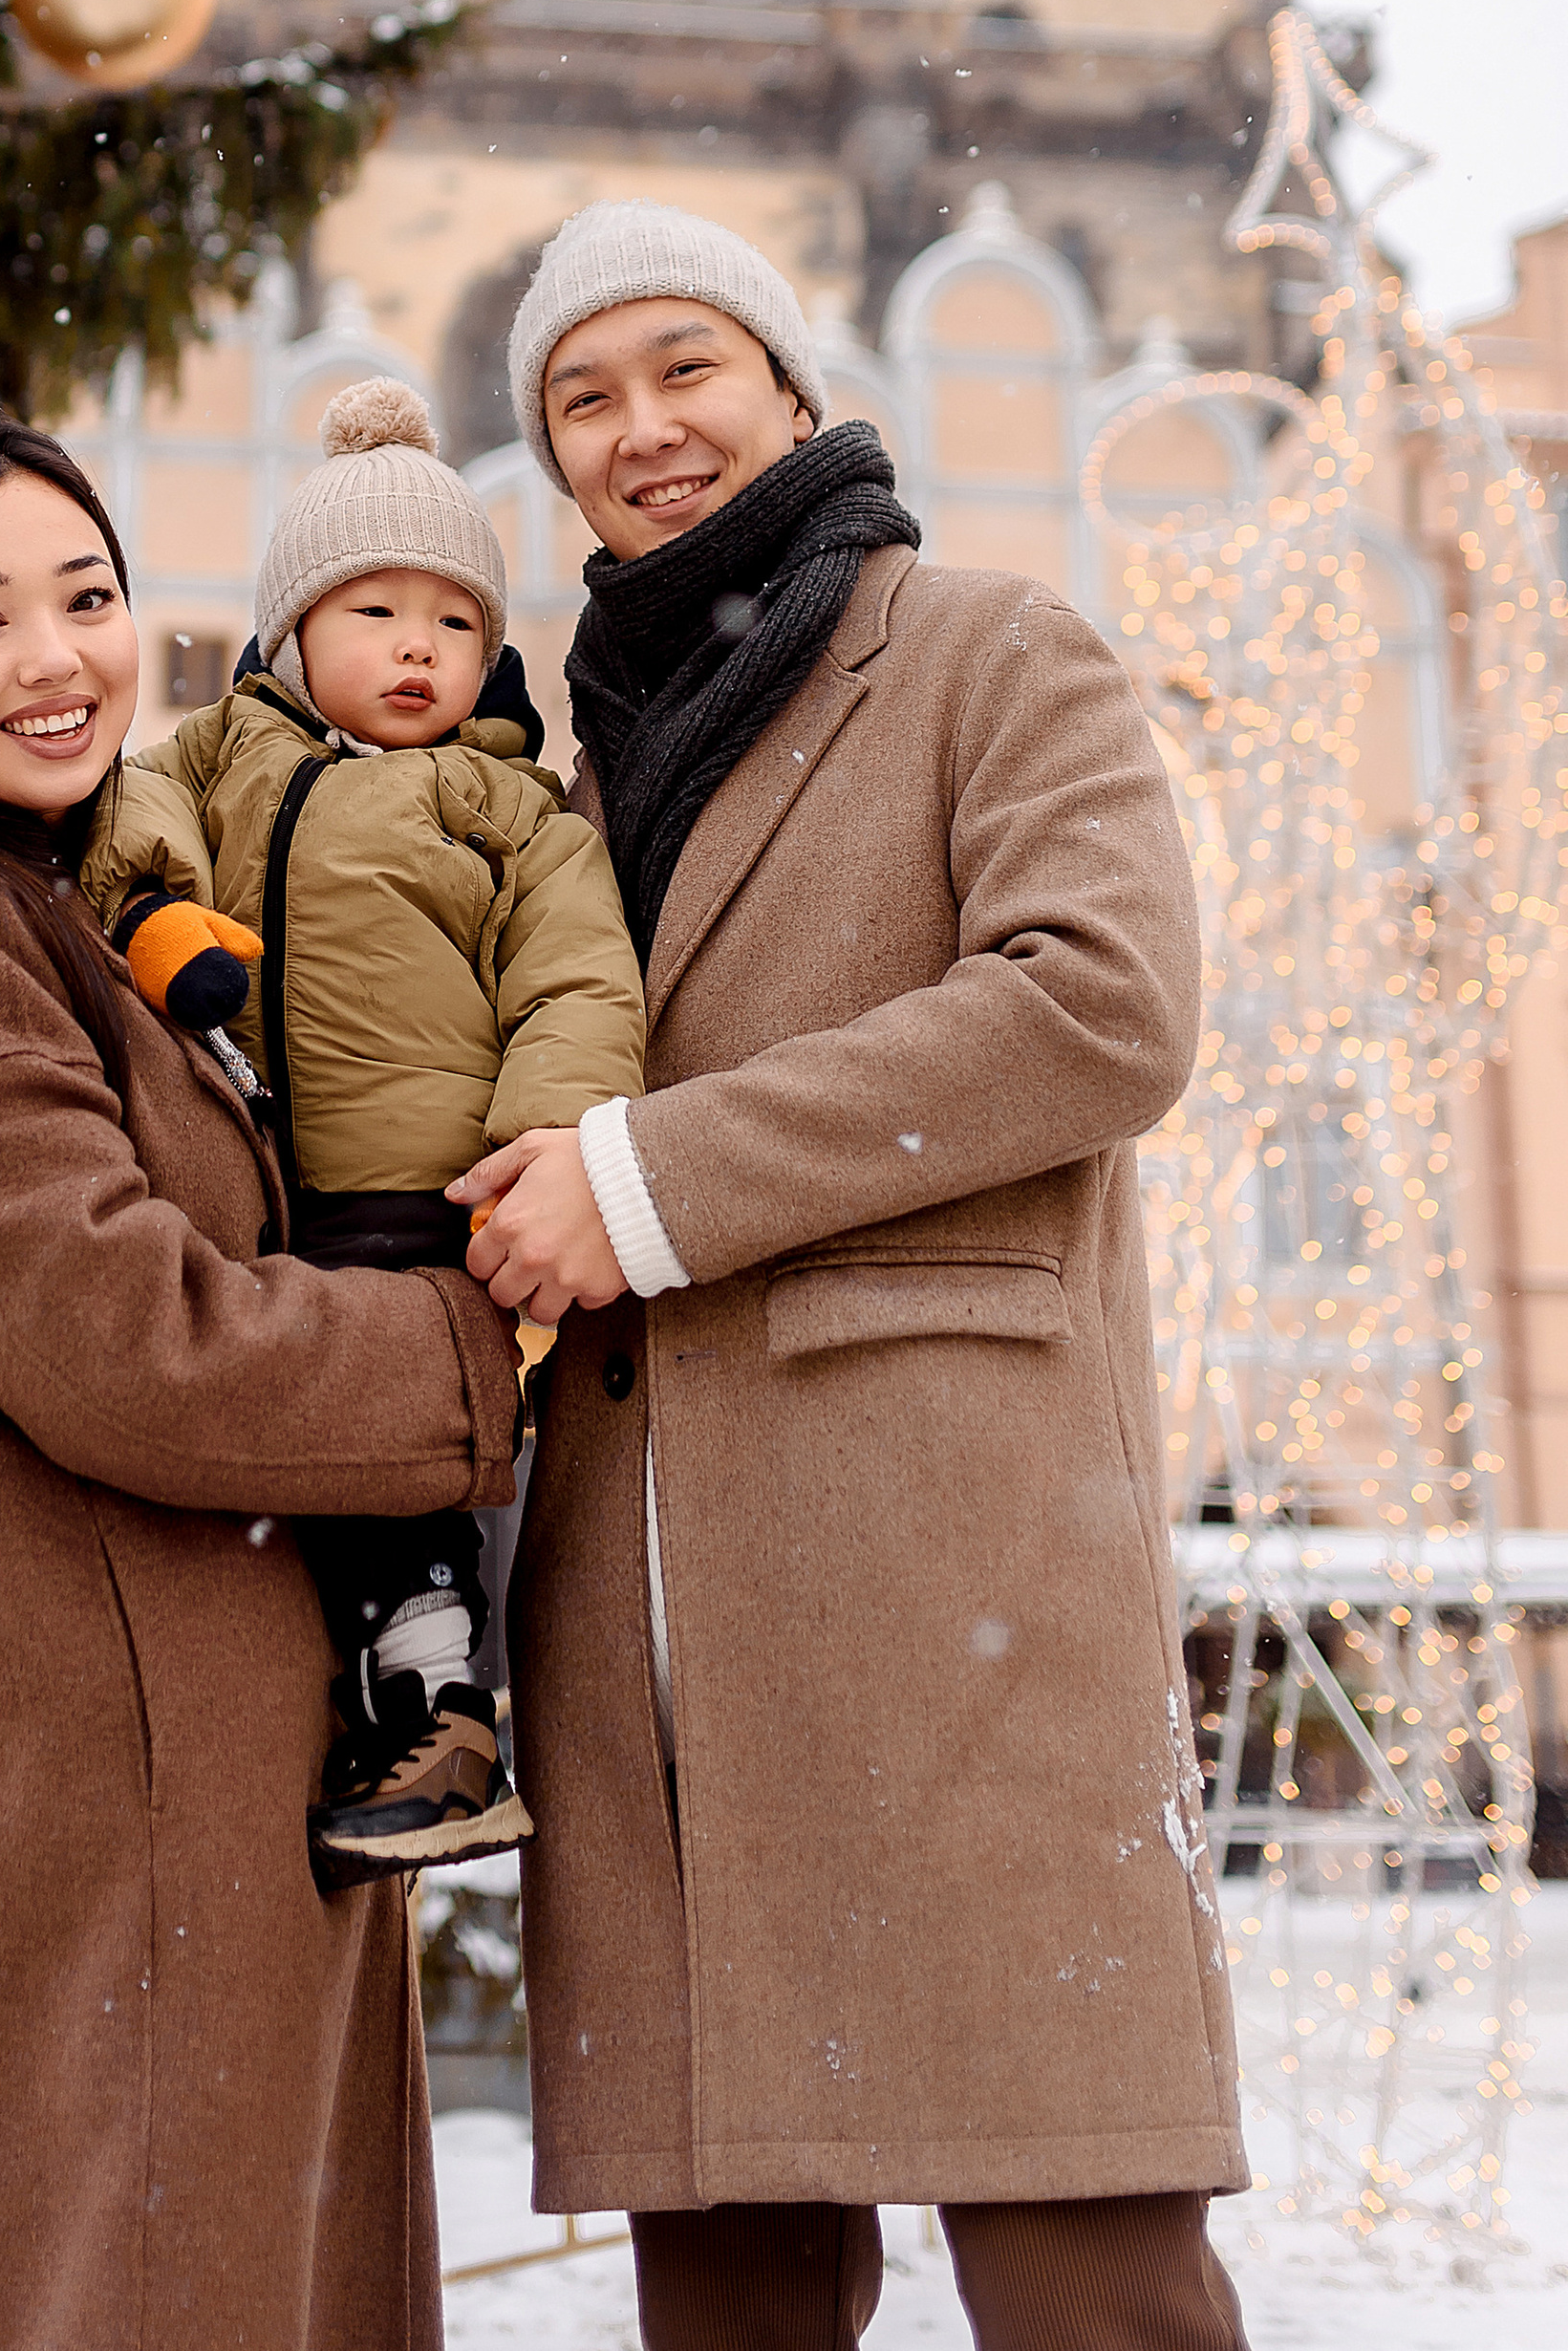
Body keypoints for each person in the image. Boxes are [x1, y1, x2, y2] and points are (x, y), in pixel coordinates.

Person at [450, 201, 1252, 2351]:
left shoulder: (990, 653)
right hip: (643, 1633)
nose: (639, 427)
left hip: (952, 1582)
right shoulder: (565, 777)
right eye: (581, 398)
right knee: (727, 2298)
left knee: (1086, 2272)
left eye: (682, 367)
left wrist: (651, 1180)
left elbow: (1100, 1006)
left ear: (790, 385)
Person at [0, 413, 524, 2351]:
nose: (55, 657)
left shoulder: (77, 900)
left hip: (187, 1788)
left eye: (84, 597)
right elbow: (131, 1346)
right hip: (106, 1814)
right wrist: (469, 1347)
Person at [84, 377, 642, 1880]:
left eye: (455, 621)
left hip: (419, 1198)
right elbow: (121, 812)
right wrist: (156, 921)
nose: (417, 647)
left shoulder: (510, 809)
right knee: (276, 1467)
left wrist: (541, 1146)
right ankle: (364, 1715)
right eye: (376, 611)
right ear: (290, 631)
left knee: (403, 1465)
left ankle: (448, 1725)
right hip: (246, 1191)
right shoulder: (224, 752)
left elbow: (579, 985)